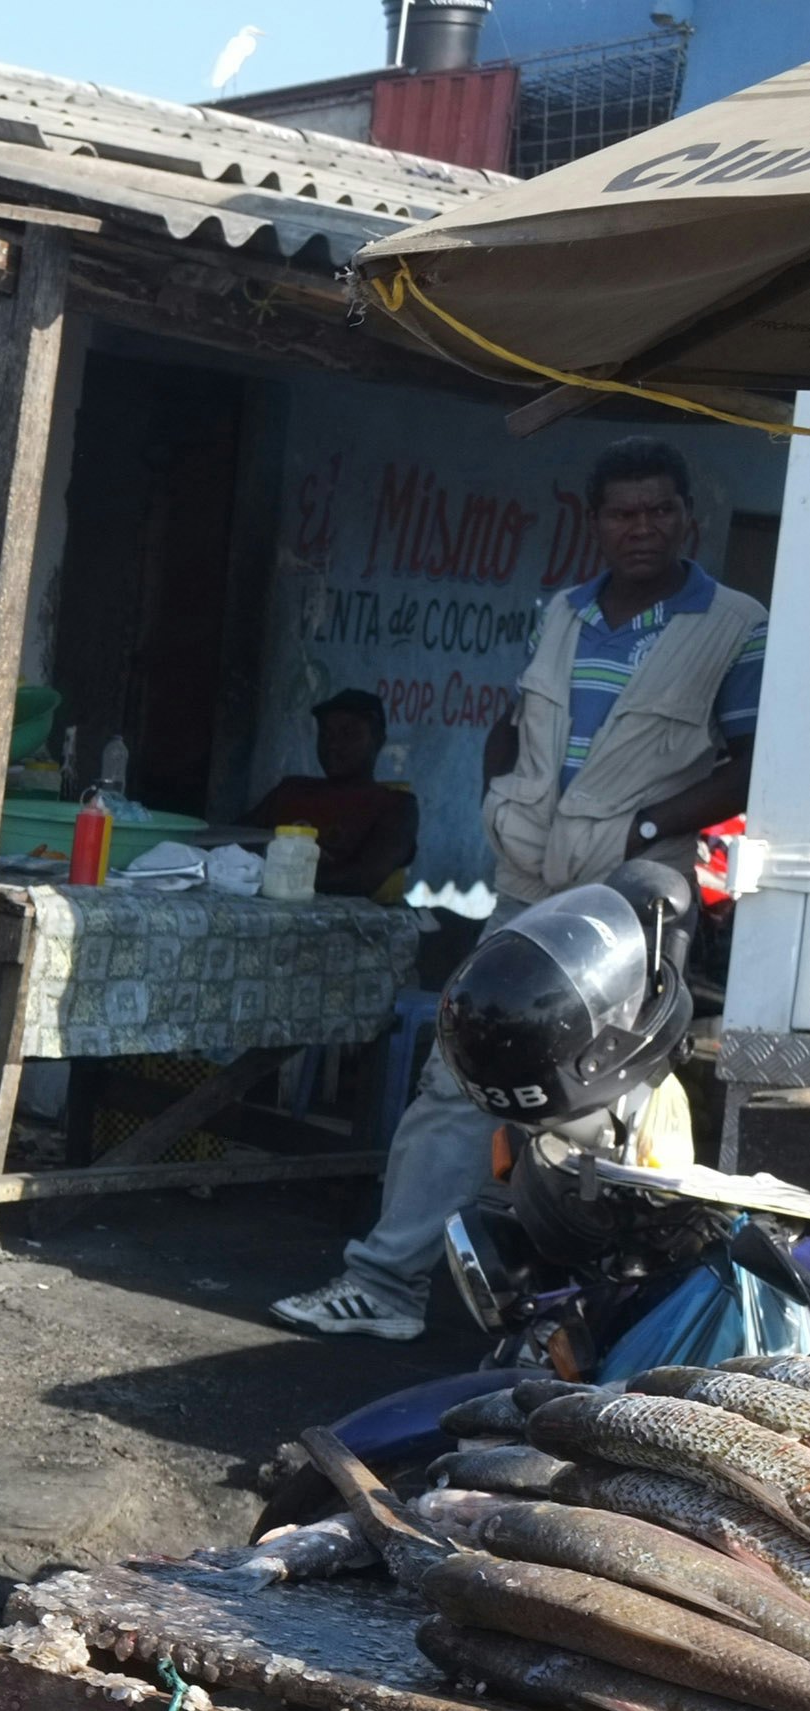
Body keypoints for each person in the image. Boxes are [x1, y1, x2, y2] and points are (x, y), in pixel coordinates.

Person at [275, 437, 766, 1341]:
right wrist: (499, 798)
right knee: (462, 1072)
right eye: (623, 512)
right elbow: (512, 722)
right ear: (595, 523)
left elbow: (749, 762)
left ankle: (579, 1317)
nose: (642, 527)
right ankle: (383, 1286)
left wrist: (648, 830)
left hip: (630, 889)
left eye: (659, 510)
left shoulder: (734, 621)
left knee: (600, 1095)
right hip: (527, 880)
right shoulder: (565, 613)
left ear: (686, 518)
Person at [245, 687, 420, 901]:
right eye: (325, 734)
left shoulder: (396, 806)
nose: (333, 745)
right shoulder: (291, 791)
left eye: (348, 734)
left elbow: (364, 877)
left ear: (378, 740)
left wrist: (274, 877)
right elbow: (234, 840)